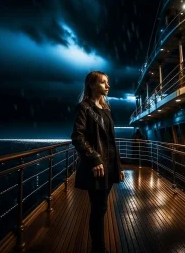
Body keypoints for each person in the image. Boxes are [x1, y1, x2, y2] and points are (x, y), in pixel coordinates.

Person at [71, 71, 125, 253]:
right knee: (98, 208)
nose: (107, 86)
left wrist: (119, 166)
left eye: (107, 82)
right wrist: (94, 159)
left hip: (109, 168)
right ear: (92, 85)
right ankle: (98, 248)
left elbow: (111, 142)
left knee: (101, 208)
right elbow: (77, 137)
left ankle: (98, 247)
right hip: (97, 168)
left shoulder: (106, 110)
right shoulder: (83, 108)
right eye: (103, 83)